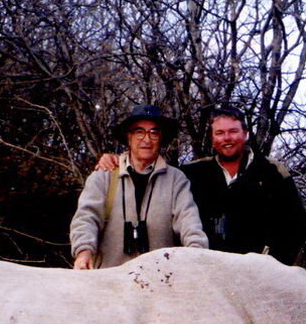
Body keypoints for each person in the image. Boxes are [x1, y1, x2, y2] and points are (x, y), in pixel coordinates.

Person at [97, 106, 306, 265]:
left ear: (245, 133)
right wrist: (117, 160)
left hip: (259, 273)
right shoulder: (192, 173)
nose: (227, 138)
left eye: (233, 131)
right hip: (207, 273)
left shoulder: (273, 172)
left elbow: (295, 230)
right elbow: (149, 172)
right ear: (212, 138)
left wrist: (269, 265)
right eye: (219, 133)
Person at [70, 105, 207, 269]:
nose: (147, 139)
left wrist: (198, 256)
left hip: (160, 280)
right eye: (139, 132)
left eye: (154, 133)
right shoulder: (103, 176)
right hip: (109, 280)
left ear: (161, 138)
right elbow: (86, 217)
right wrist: (83, 251)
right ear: (129, 137)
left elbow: (189, 222)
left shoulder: (176, 179)